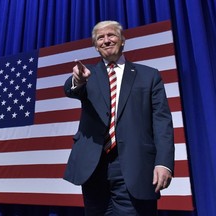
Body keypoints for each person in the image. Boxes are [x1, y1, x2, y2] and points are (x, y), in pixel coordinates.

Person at [63, 20, 175, 216]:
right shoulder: (87, 74)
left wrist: (163, 162)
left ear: (123, 40)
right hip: (94, 168)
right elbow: (71, 89)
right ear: (95, 45)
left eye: (111, 35)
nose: (106, 40)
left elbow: (162, 123)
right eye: (100, 38)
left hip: (136, 166)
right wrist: (77, 81)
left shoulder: (149, 76)